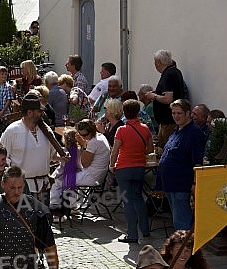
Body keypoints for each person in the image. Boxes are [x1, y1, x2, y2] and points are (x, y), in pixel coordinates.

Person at [156, 99, 205, 230]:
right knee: (177, 220)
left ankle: (185, 249)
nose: (176, 116)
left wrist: (194, 183)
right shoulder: (176, 130)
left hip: (182, 184)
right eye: (173, 113)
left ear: (188, 113)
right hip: (170, 184)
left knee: (182, 222)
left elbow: (197, 161)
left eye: (179, 113)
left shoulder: (194, 133)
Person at [0, 91, 60, 197]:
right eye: (39, 111)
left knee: (44, 214)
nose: (42, 114)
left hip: (44, 187)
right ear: (29, 113)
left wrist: (63, 157)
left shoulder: (46, 131)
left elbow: (53, 155)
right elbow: (3, 158)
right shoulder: (12, 131)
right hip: (21, 189)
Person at [109, 100, 153, 243]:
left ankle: (132, 234)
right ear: (138, 112)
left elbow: (115, 151)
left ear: (124, 112)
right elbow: (150, 149)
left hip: (123, 167)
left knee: (127, 201)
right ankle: (145, 230)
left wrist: (111, 165)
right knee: (139, 198)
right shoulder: (145, 128)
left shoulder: (121, 130)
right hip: (139, 167)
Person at [50, 119, 110, 214]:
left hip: (92, 176)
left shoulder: (94, 142)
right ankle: (73, 205)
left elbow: (85, 164)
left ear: (93, 130)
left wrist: (83, 146)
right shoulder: (100, 136)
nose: (83, 137)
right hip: (97, 174)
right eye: (81, 135)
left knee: (57, 182)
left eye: (85, 135)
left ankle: (56, 210)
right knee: (69, 176)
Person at [146, 49, 186, 148]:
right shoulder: (173, 72)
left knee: (165, 149)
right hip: (167, 121)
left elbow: (168, 99)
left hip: (169, 122)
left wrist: (153, 96)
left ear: (158, 62)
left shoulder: (169, 74)